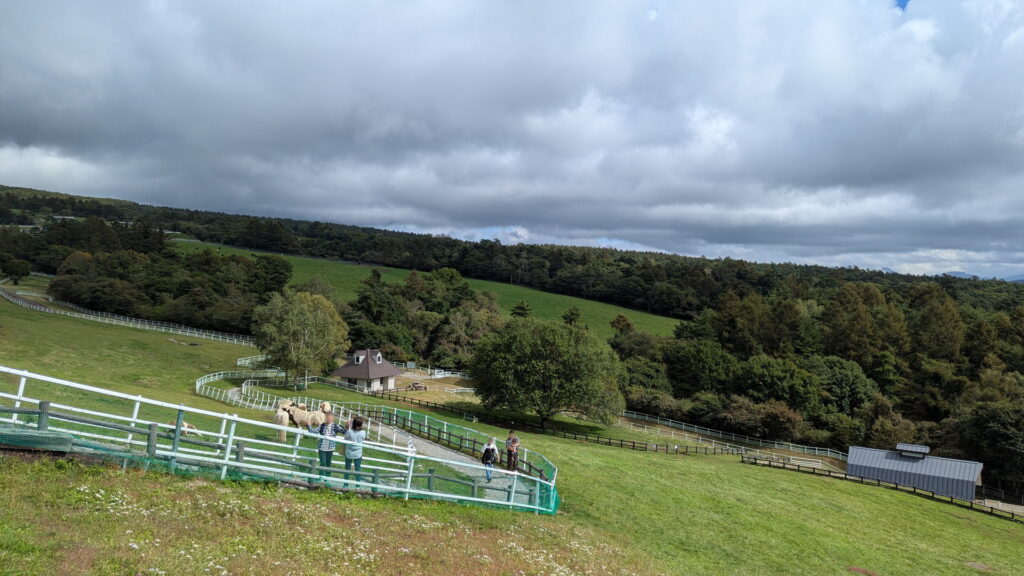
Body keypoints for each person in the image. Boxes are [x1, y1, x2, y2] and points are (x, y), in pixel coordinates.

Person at [308, 411, 344, 478]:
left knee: (328, 464)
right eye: (326, 417)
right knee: (323, 463)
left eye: (329, 418)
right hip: (322, 448)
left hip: (330, 449)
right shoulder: (322, 425)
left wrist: (349, 427)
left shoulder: (335, 426)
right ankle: (321, 477)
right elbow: (313, 431)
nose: (327, 419)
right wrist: (308, 424)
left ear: (332, 418)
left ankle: (327, 477)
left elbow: (344, 431)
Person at [343, 416, 367, 485]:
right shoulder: (363, 432)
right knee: (357, 469)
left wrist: (348, 427)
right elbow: (363, 438)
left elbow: (345, 438)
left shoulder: (349, 432)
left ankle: (345, 485)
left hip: (349, 453)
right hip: (358, 453)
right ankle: (357, 486)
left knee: (347, 469)